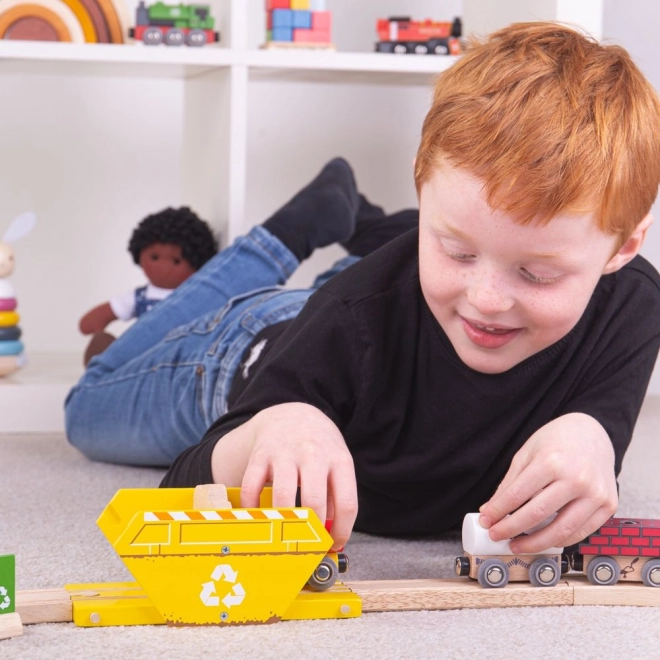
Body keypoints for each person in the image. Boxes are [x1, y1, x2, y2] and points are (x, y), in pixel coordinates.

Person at [154, 22, 660, 555]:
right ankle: (275, 243)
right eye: (457, 250)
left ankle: (363, 226)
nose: (487, 298)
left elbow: (596, 439)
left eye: (537, 274)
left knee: (381, 294)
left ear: (622, 249)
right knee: (89, 409)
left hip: (372, 318)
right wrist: (266, 432)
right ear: (420, 191)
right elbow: (179, 488)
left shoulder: (632, 306)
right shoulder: (351, 319)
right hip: (232, 355)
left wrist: (594, 438)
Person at [65, 158, 419, 466]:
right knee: (85, 404)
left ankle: (372, 242)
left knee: (86, 402)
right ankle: (298, 237)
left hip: (311, 322)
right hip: (267, 353)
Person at [78, 207, 218, 365]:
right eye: (155, 257)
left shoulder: (195, 296)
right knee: (103, 345)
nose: (164, 268)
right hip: (138, 360)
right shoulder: (139, 297)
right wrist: (99, 332)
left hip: (178, 359)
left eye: (176, 261)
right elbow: (91, 321)